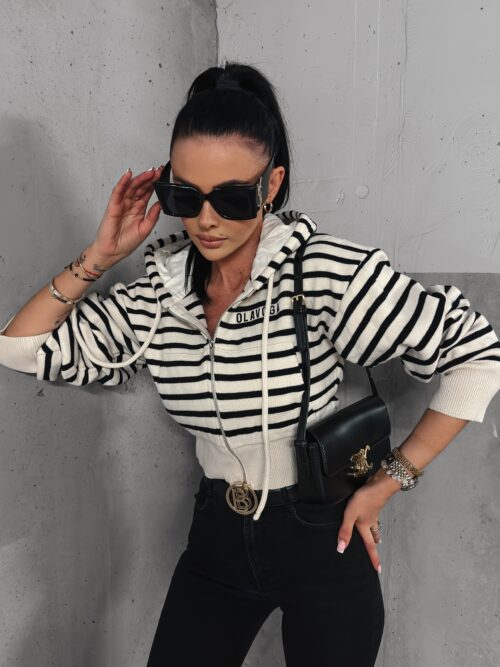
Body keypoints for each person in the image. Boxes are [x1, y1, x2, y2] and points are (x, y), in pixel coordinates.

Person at [1, 61, 500, 667]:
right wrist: (101, 256)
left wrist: (391, 481)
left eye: (233, 197)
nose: (206, 219)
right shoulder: (159, 294)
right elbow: (21, 348)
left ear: (271, 184)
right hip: (216, 539)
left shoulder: (321, 271)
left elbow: (479, 355)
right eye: (184, 196)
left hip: (322, 533)